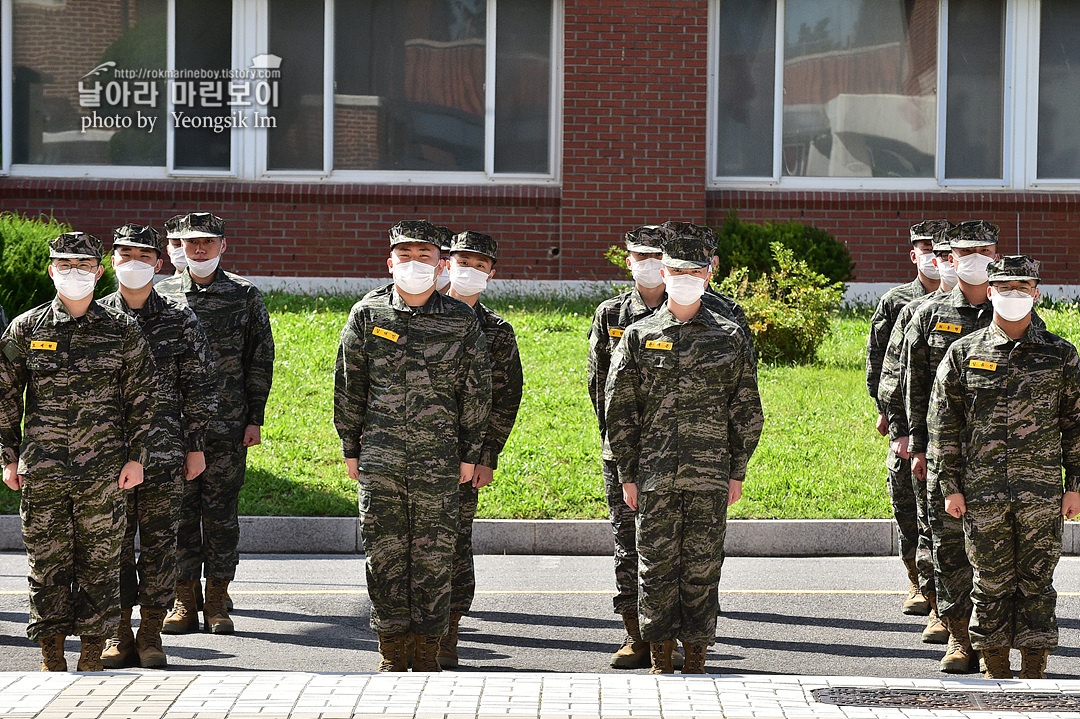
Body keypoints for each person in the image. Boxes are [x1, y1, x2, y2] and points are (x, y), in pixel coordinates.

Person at [604, 225, 763, 675]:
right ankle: (658, 656)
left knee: (701, 569)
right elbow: (621, 411)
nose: (685, 277)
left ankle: (695, 655)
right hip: (653, 476)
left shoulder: (729, 335)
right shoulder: (637, 336)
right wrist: (628, 474)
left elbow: (746, 408)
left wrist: (737, 470)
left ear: (708, 276)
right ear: (665, 272)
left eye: (694, 270)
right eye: (676, 270)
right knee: (654, 569)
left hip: (710, 476)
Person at [334, 219, 491, 672]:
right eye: (405, 256)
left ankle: (427, 649)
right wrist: (350, 447)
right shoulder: (368, 314)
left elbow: (476, 391)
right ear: (389, 262)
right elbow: (349, 385)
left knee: (434, 555)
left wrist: (469, 453)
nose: (414, 264)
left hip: (440, 460)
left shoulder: (460, 320)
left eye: (424, 257)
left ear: (440, 264)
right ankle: (391, 648)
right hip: (381, 457)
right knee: (383, 555)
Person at [0, 231, 155, 672]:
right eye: (64, 265)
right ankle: (50, 656)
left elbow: (143, 397)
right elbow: (6, 395)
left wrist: (136, 457)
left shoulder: (122, 330)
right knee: (46, 563)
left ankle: (91, 655)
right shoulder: (27, 328)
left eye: (83, 266)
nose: (74, 273)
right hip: (43, 470)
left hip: (104, 472)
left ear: (98, 271)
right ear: (51, 270)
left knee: (100, 562)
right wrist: (8, 457)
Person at [929, 255, 1080, 680]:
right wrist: (951, 486)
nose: (1014, 296)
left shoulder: (1060, 355)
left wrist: (1076, 485)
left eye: (1023, 288)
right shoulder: (963, 354)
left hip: (1042, 492)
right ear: (990, 292)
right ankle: (994, 663)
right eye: (1005, 288)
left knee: (1036, 582)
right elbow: (945, 425)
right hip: (982, 491)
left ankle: (1035, 665)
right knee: (990, 582)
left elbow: (1076, 425)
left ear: (1037, 293)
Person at [98, 223, 217, 668]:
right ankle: (117, 633)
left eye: (143, 256)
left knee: (160, 546)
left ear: (159, 263)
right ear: (112, 260)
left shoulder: (178, 317)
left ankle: (151, 635)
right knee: (110, 545)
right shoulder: (96, 316)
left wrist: (196, 444)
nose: (133, 263)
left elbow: (200, 385)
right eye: (125, 254)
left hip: (165, 451)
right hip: (106, 454)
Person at [157, 212, 275, 635]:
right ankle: (183, 602)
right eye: (191, 243)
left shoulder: (244, 295)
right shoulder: (162, 294)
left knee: (221, 516)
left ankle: (217, 602)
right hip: (173, 426)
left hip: (226, 427)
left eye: (208, 241)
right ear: (181, 248)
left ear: (223, 245)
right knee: (181, 516)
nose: (200, 249)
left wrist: (254, 419)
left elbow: (259, 359)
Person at [901, 219, 1006, 673]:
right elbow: (915, 386)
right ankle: (959, 637)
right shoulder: (929, 313)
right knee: (949, 549)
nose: (974, 259)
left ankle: (993, 638)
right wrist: (918, 446)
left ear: (996, 257)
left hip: (997, 456)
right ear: (952, 258)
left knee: (995, 553)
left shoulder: (1011, 312)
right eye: (964, 252)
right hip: (945, 451)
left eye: (983, 250)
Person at [587, 225, 675, 669]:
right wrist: (618, 441)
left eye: (658, 256)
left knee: (676, 546)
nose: (650, 265)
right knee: (628, 542)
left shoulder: (702, 311)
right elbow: (598, 384)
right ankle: (635, 634)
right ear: (628, 261)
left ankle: (674, 634)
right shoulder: (611, 314)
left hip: (682, 450)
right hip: (624, 451)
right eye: (641, 256)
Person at [440, 230, 523, 668]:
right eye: (462, 261)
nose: (469, 270)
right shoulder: (419, 314)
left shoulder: (497, 332)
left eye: (479, 264)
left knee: (455, 541)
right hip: (409, 450)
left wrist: (487, 455)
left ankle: (449, 630)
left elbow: (507, 397)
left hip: (465, 457)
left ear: (492, 272)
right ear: (447, 263)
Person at [866, 219, 951, 619]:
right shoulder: (899, 302)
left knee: (935, 511)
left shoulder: (989, 306)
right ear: (914, 254)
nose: (934, 257)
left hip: (954, 430)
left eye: (942, 249)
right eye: (925, 248)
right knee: (907, 504)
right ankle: (917, 580)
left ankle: (943, 596)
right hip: (909, 423)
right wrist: (887, 413)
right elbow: (883, 363)